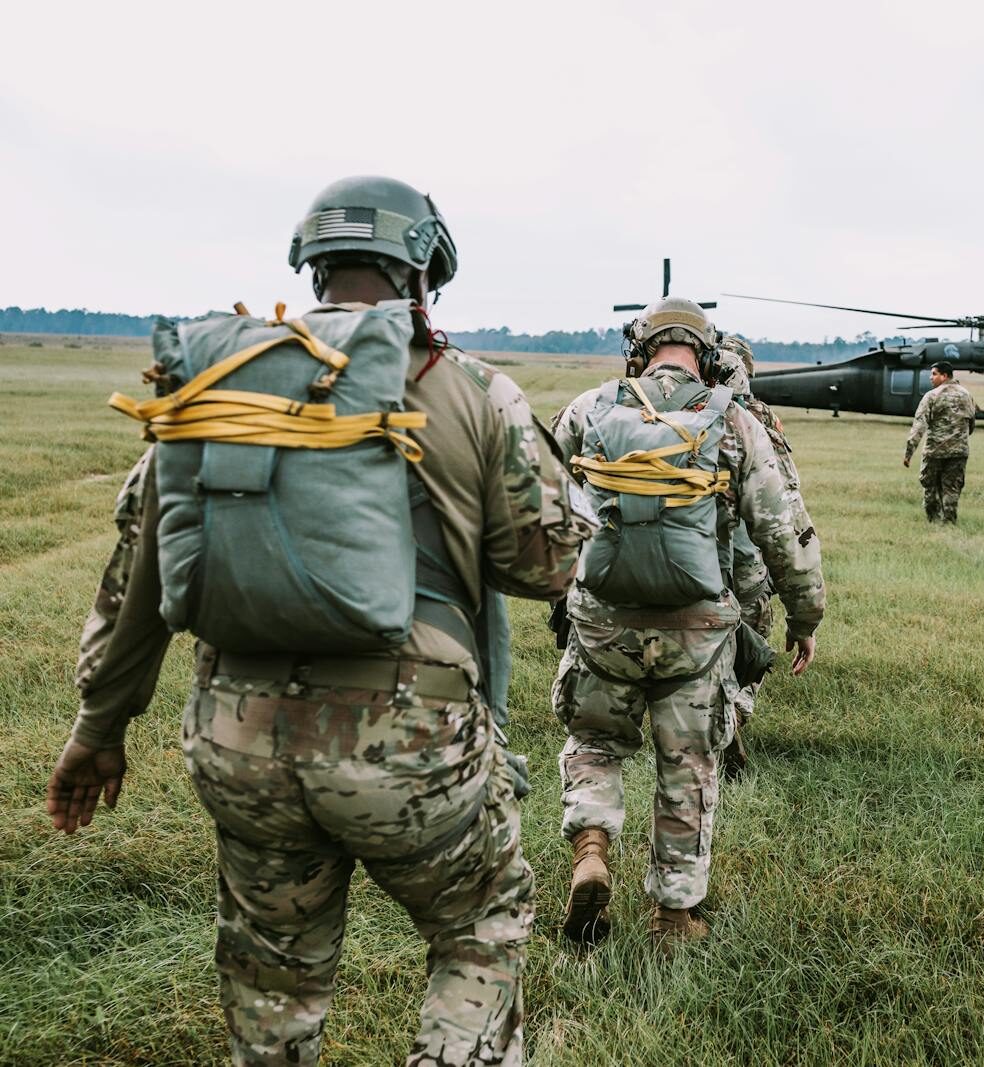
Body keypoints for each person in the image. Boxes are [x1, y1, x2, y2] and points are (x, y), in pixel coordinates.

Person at [44, 175, 596, 1066]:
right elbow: (547, 565)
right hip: (410, 742)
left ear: (314, 269)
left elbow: (136, 574)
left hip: (238, 740)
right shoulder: (474, 391)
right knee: (480, 922)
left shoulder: (221, 385)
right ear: (425, 271)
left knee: (272, 981)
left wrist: (97, 729)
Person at [550, 299, 825, 947]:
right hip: (696, 631)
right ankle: (673, 915)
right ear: (705, 354)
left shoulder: (589, 408)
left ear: (640, 350)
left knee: (594, 739)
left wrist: (564, 587)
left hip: (602, 622)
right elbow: (780, 533)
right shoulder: (732, 421)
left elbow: (529, 493)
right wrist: (805, 615)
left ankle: (591, 843)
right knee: (688, 766)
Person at [711, 335, 818, 779]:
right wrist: (806, 610)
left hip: (695, 563)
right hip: (751, 562)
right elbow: (787, 502)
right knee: (753, 647)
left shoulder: (681, 414)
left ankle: (712, 714)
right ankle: (733, 713)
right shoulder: (759, 422)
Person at [902, 360, 977, 523]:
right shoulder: (966, 394)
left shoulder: (932, 396)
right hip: (959, 451)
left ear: (944, 376)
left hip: (934, 451)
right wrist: (960, 439)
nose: (931, 378)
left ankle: (933, 522)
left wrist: (909, 453)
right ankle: (949, 522)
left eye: (934, 374)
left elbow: (919, 425)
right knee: (952, 489)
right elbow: (971, 423)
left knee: (930, 487)